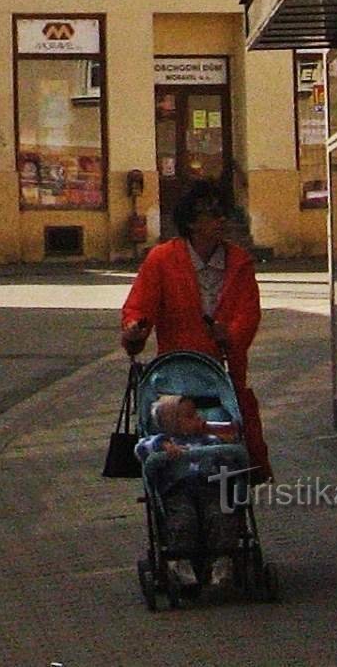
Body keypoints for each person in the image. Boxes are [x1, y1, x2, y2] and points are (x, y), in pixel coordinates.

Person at [120, 180, 270, 482]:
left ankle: (233, 503)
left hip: (223, 373)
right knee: (179, 442)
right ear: (191, 221)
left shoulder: (238, 261)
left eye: (222, 212)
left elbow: (248, 312)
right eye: (212, 214)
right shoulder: (163, 259)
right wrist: (135, 330)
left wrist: (230, 334)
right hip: (177, 373)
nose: (221, 220)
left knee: (232, 443)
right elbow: (139, 306)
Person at [137, 393, 247, 587]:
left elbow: (228, 460)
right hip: (178, 491)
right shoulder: (164, 442)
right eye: (190, 416)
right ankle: (181, 563)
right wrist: (162, 445)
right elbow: (141, 449)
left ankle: (222, 561)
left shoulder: (209, 440)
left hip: (209, 487)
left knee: (221, 514)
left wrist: (227, 448)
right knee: (183, 520)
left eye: (197, 414)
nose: (199, 419)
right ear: (172, 423)